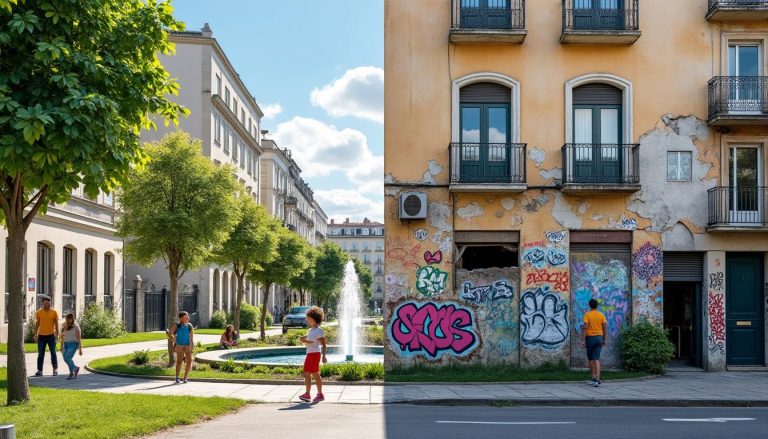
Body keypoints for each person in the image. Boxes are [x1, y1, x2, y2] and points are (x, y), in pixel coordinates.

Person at [297, 306, 327, 403]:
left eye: (309, 319)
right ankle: (307, 394)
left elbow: (323, 344)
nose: (307, 320)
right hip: (310, 354)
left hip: (315, 354)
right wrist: (303, 339)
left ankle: (320, 394)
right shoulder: (310, 330)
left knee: (315, 374)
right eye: (307, 319)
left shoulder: (319, 330)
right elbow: (308, 340)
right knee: (306, 373)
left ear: (315, 319)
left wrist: (324, 356)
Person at [580, 298, 608, 387]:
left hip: (590, 338)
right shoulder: (601, 315)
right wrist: (604, 339)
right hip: (599, 338)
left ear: (589, 305)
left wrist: (583, 340)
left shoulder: (587, 315)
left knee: (590, 359)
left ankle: (593, 377)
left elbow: (585, 327)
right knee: (596, 359)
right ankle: (597, 380)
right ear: (597, 306)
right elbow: (605, 327)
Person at [34, 296, 59, 377]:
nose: (47, 304)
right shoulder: (39, 312)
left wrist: (57, 334)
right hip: (41, 336)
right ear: (43, 303)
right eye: (45, 302)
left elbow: (56, 323)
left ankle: (55, 369)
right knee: (40, 354)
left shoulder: (54, 312)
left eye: (48, 302)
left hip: (51, 336)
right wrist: (35, 334)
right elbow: (37, 323)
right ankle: (40, 370)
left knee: (53, 353)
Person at [168, 311, 194, 384]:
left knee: (189, 362)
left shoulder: (189, 326)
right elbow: (169, 333)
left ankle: (185, 378)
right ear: (181, 318)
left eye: (188, 316)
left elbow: (191, 337)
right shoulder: (176, 326)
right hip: (179, 346)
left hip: (188, 345)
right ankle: (177, 377)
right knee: (179, 362)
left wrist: (192, 346)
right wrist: (175, 340)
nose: (188, 318)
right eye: (186, 317)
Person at [60, 313, 83, 380]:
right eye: (67, 319)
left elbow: (79, 338)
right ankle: (73, 371)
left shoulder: (76, 326)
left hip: (73, 344)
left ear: (72, 319)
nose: (67, 320)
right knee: (66, 358)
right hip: (65, 344)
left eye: (69, 319)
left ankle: (74, 370)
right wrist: (61, 346)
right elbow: (62, 337)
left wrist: (80, 349)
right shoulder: (64, 326)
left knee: (67, 357)